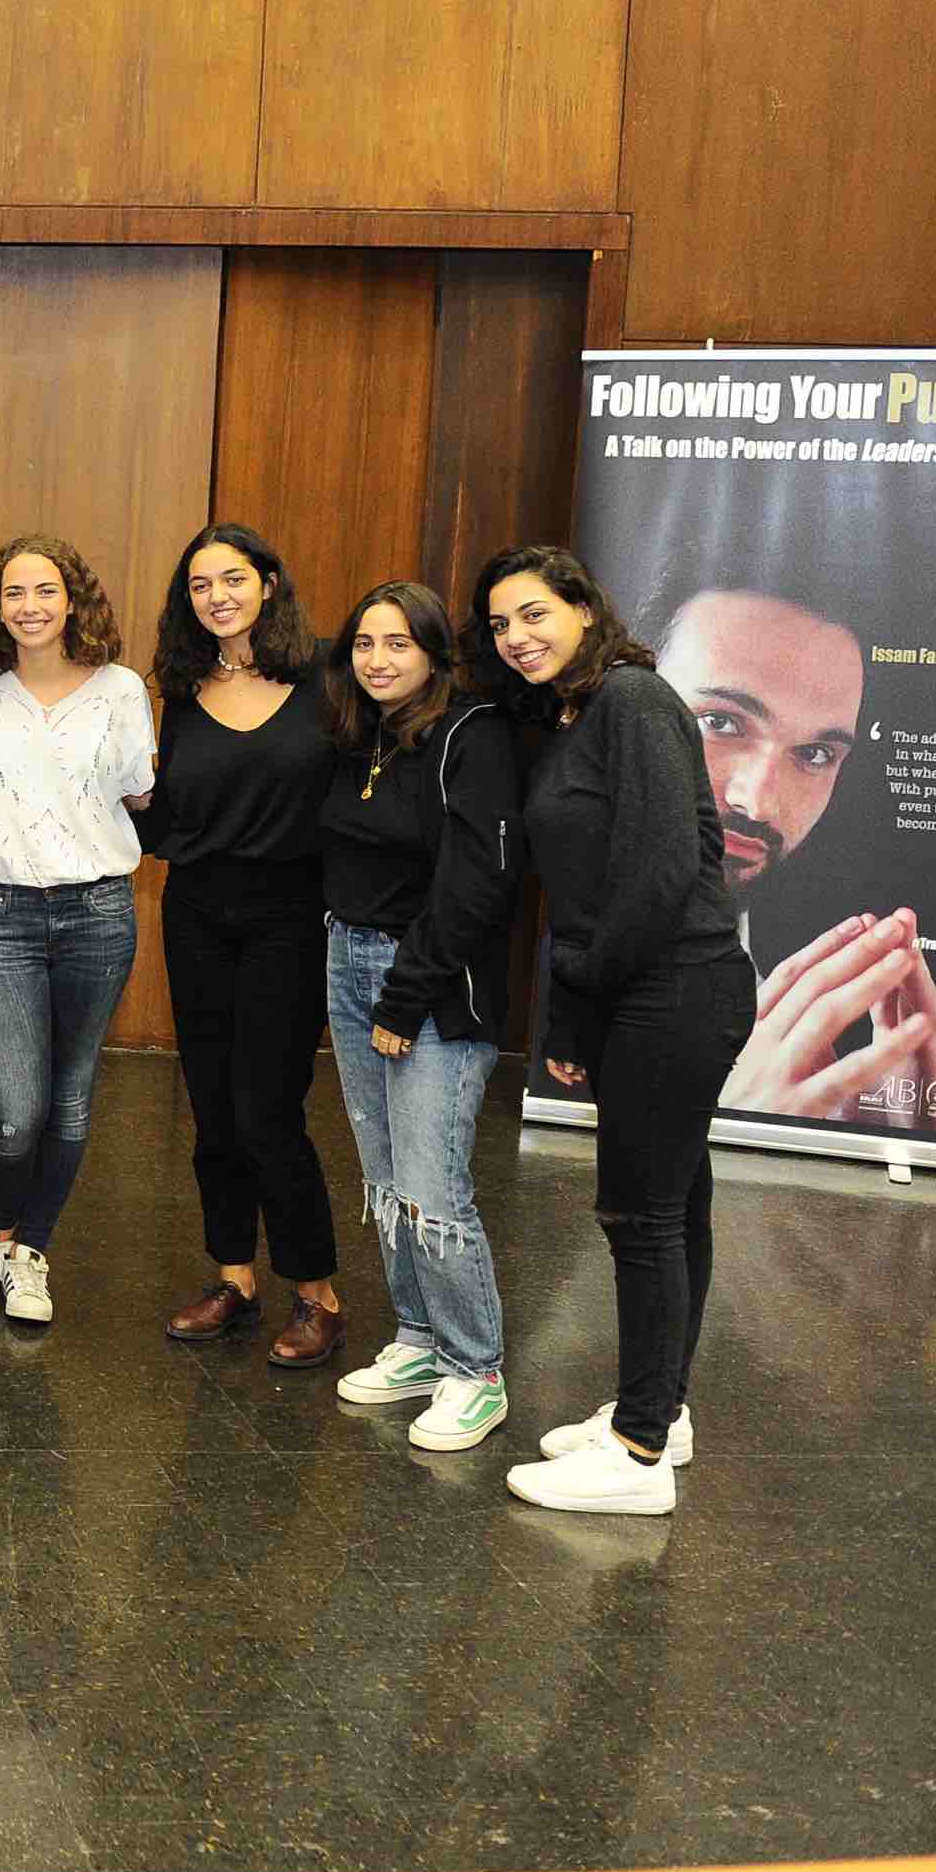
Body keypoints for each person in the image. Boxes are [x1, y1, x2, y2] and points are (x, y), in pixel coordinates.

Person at [475, 545, 751, 1517]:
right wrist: (576, 1007)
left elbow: (660, 869)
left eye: (533, 614)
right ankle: (661, 1412)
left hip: (671, 986)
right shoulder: (577, 711)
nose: (515, 637)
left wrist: (583, 989)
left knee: (642, 1219)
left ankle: (636, 1455)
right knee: (675, 1205)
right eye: (499, 625)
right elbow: (603, 879)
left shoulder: (632, 700)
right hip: (646, 985)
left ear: (584, 609)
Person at [640, 567, 936, 1132]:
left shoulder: (833, 1037)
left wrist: (900, 1152)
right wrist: (735, 1130)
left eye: (815, 755)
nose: (758, 802)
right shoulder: (535, 954)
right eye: (720, 723)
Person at [319, 581, 524, 1454]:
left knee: (433, 1189)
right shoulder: (362, 731)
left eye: (398, 644)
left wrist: (404, 995)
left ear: (436, 653)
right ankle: (417, 1338)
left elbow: (475, 886)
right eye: (364, 643)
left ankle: (475, 1369)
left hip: (430, 982)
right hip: (348, 958)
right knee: (385, 1174)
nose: (377, 660)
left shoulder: (472, 734)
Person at [0, 535, 155, 1331]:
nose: (29, 607)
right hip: (0, 916)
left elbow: (138, 792)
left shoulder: (119, 690)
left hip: (97, 912)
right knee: (16, 1105)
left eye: (44, 591)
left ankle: (32, 1249)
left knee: (69, 1099)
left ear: (73, 600)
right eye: (13, 593)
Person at [143, 523, 348, 1368]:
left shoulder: (326, 674)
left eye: (232, 578)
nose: (216, 596)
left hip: (289, 918)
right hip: (195, 911)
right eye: (199, 585)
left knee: (268, 1108)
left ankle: (316, 1292)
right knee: (212, 1107)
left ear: (268, 582)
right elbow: (165, 812)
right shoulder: (183, 687)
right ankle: (233, 1276)